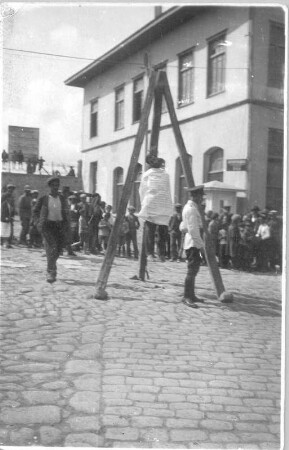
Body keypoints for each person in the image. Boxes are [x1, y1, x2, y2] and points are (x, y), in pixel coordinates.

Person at [33, 176, 69, 283]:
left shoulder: (62, 199)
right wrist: (38, 223)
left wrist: (67, 226)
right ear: (49, 187)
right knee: (51, 248)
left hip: (60, 226)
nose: (55, 188)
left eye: (57, 185)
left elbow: (66, 213)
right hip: (48, 226)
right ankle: (51, 272)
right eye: (53, 186)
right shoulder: (44, 199)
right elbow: (35, 211)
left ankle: (52, 267)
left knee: (58, 250)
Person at [138, 152, 173, 262]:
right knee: (163, 230)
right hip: (164, 204)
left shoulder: (146, 174)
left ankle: (150, 253)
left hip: (151, 203)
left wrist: (144, 203)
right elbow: (168, 190)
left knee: (150, 230)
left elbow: (142, 191)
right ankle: (161, 254)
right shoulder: (166, 175)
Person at [180, 185, 205, 308]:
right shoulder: (191, 209)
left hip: (194, 242)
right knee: (191, 271)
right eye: (200, 196)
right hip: (193, 244)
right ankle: (186, 297)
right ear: (195, 196)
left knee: (194, 270)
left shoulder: (191, 208)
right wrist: (201, 247)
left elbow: (183, 226)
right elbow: (194, 230)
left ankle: (192, 295)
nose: (202, 199)